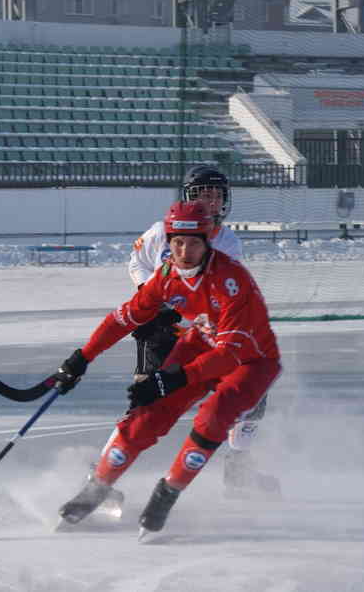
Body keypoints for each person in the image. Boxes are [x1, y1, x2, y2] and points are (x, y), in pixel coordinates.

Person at [55, 200, 282, 537]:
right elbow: (124, 317)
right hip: (203, 341)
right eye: (177, 242)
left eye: (193, 243)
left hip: (250, 360)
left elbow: (229, 355)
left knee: (213, 416)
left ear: (207, 244)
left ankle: (167, 492)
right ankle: (98, 487)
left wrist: (168, 379)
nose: (184, 251)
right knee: (147, 413)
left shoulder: (231, 280)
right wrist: (82, 358)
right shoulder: (166, 277)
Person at [126, 165, 279, 499]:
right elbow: (137, 262)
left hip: (207, 332)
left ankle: (238, 465)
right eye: (203, 194)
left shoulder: (228, 242)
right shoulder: (159, 232)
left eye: (216, 196)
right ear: (187, 197)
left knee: (251, 390)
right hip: (163, 333)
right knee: (145, 403)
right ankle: (102, 476)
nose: (210, 202)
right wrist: (147, 295)